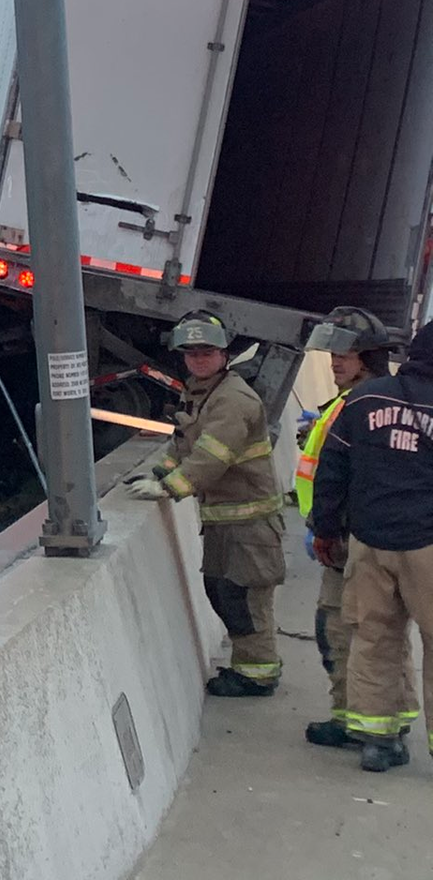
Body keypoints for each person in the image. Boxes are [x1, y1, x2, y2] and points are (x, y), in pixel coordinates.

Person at [126, 311, 284, 695]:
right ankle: (249, 667)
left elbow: (212, 457)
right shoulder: (200, 391)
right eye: (191, 352)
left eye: (206, 352)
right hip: (226, 522)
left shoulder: (233, 400)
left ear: (224, 353)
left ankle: (257, 675)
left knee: (245, 600)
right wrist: (160, 474)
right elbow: (183, 444)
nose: (198, 359)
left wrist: (170, 488)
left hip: (250, 525)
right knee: (224, 592)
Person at [310, 321, 433, 773]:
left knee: (373, 637)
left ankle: (378, 742)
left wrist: (325, 529)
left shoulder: (365, 399)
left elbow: (333, 469)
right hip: (428, 544)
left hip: (368, 540)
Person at [292, 307, 416, 749]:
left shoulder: (360, 404)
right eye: (333, 354)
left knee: (345, 632)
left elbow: (341, 473)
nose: (335, 361)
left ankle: (354, 718)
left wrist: (326, 529)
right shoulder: (362, 401)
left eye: (346, 354)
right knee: (382, 633)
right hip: (354, 534)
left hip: (347, 540)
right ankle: (387, 720)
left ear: (370, 357)